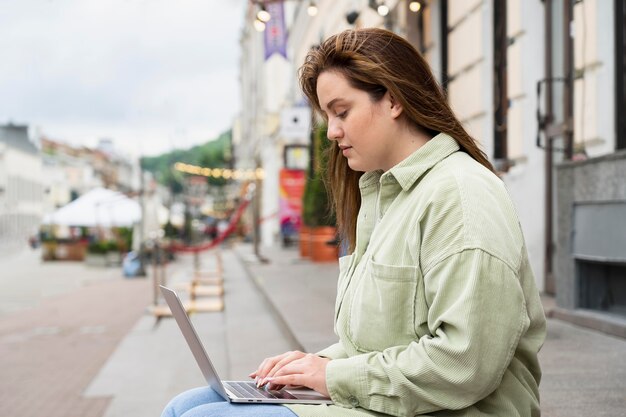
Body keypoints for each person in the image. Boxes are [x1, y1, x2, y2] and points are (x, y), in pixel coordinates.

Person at [161, 27, 546, 417]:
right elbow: (375, 343)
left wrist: (330, 377)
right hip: (395, 402)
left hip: (453, 408)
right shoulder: (383, 196)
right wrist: (307, 367)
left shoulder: (462, 196)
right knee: (185, 406)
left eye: (342, 112)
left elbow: (465, 364)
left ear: (393, 100)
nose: (332, 132)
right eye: (328, 116)